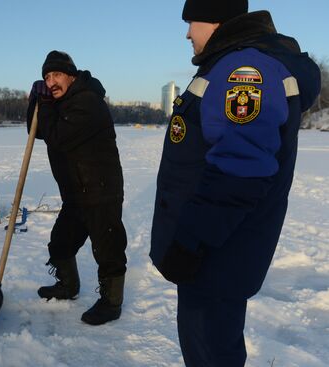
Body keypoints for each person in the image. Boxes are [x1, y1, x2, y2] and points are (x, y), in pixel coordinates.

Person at [150, 0, 321, 365]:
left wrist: (191, 243)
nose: (187, 33)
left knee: (211, 352)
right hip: (216, 249)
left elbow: (240, 169)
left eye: (191, 21)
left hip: (214, 254)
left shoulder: (245, 69)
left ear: (214, 19)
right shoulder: (232, 62)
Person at [27, 50, 127, 325]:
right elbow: (36, 130)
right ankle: (68, 286)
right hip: (75, 193)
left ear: (71, 76)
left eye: (56, 75)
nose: (51, 82)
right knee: (60, 243)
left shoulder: (87, 102)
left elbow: (58, 138)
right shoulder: (59, 103)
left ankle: (111, 302)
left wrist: (45, 103)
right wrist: (36, 101)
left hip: (100, 190)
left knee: (108, 249)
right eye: (46, 77)